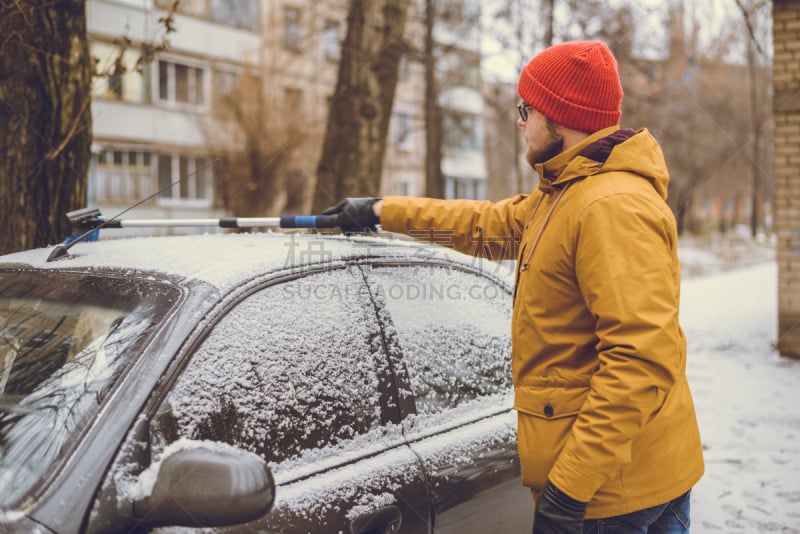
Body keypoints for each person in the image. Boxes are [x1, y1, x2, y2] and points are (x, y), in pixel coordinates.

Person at [322, 40, 704, 533]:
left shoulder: (608, 207)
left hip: (611, 497)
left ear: (561, 118)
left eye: (527, 110)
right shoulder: (568, 191)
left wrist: (569, 490)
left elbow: (640, 360)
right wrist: (380, 210)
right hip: (621, 479)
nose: (520, 122)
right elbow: (482, 224)